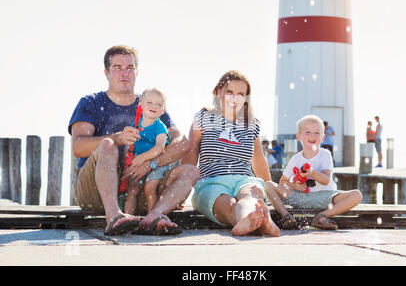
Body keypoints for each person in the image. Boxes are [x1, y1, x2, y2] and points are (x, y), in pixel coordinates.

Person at [68, 45, 199, 236]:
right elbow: (78, 147)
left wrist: (150, 164)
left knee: (191, 172)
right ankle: (114, 216)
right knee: (107, 145)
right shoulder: (91, 103)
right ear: (106, 72)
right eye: (117, 68)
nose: (124, 73)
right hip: (94, 195)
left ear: (137, 72)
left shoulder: (150, 104)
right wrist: (117, 138)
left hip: (141, 189)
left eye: (130, 68)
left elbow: (181, 142)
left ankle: (155, 215)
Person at [182, 70, 280, 237]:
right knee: (226, 202)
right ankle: (247, 220)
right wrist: (180, 192)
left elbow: (259, 161)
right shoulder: (204, 117)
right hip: (211, 182)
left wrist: (271, 192)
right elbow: (191, 154)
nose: (235, 98)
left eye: (241, 94)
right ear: (218, 92)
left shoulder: (252, 124)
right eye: (230, 92)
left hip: (244, 180)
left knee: (251, 195)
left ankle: (262, 220)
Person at [265, 115, 362, 230]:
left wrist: (312, 172)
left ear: (322, 137)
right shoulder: (295, 159)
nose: (312, 135)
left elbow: (326, 180)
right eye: (307, 132)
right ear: (299, 136)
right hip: (300, 198)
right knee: (268, 185)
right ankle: (286, 216)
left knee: (356, 195)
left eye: (317, 133)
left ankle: (322, 216)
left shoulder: (325, 154)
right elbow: (283, 182)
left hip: (325, 197)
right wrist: (293, 185)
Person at [123, 88, 171, 218]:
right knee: (132, 190)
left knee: (150, 188)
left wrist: (143, 157)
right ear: (140, 105)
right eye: (149, 102)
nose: (154, 106)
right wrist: (128, 162)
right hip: (138, 162)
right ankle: (127, 218)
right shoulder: (136, 124)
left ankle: (151, 218)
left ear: (163, 110)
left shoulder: (159, 126)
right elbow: (129, 145)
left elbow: (159, 148)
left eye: (159, 104)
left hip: (156, 163)